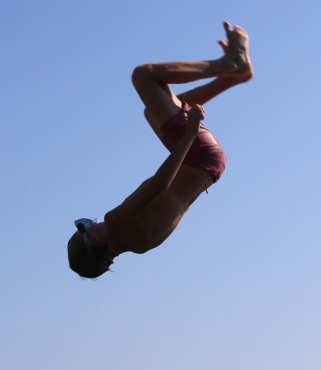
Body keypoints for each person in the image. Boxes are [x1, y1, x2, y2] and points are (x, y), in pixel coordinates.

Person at [68, 22, 252, 278]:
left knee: (153, 110)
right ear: (95, 240)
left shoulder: (142, 245)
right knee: (144, 76)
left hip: (209, 167)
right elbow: (160, 183)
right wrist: (190, 132)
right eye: (86, 227)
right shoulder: (115, 222)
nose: (93, 222)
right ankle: (229, 64)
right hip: (198, 154)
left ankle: (234, 76)